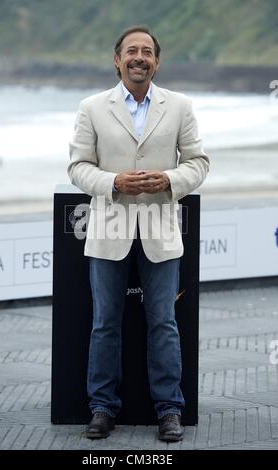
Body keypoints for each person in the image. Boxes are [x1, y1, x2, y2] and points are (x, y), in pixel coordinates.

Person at [68, 25, 209, 442]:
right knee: (104, 324)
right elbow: (78, 167)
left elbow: (198, 162)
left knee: (164, 322)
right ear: (117, 60)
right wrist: (113, 183)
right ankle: (101, 408)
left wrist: (167, 179)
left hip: (161, 231)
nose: (139, 57)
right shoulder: (91, 107)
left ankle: (169, 409)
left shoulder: (179, 106)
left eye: (147, 51)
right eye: (132, 50)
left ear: (157, 62)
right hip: (108, 231)